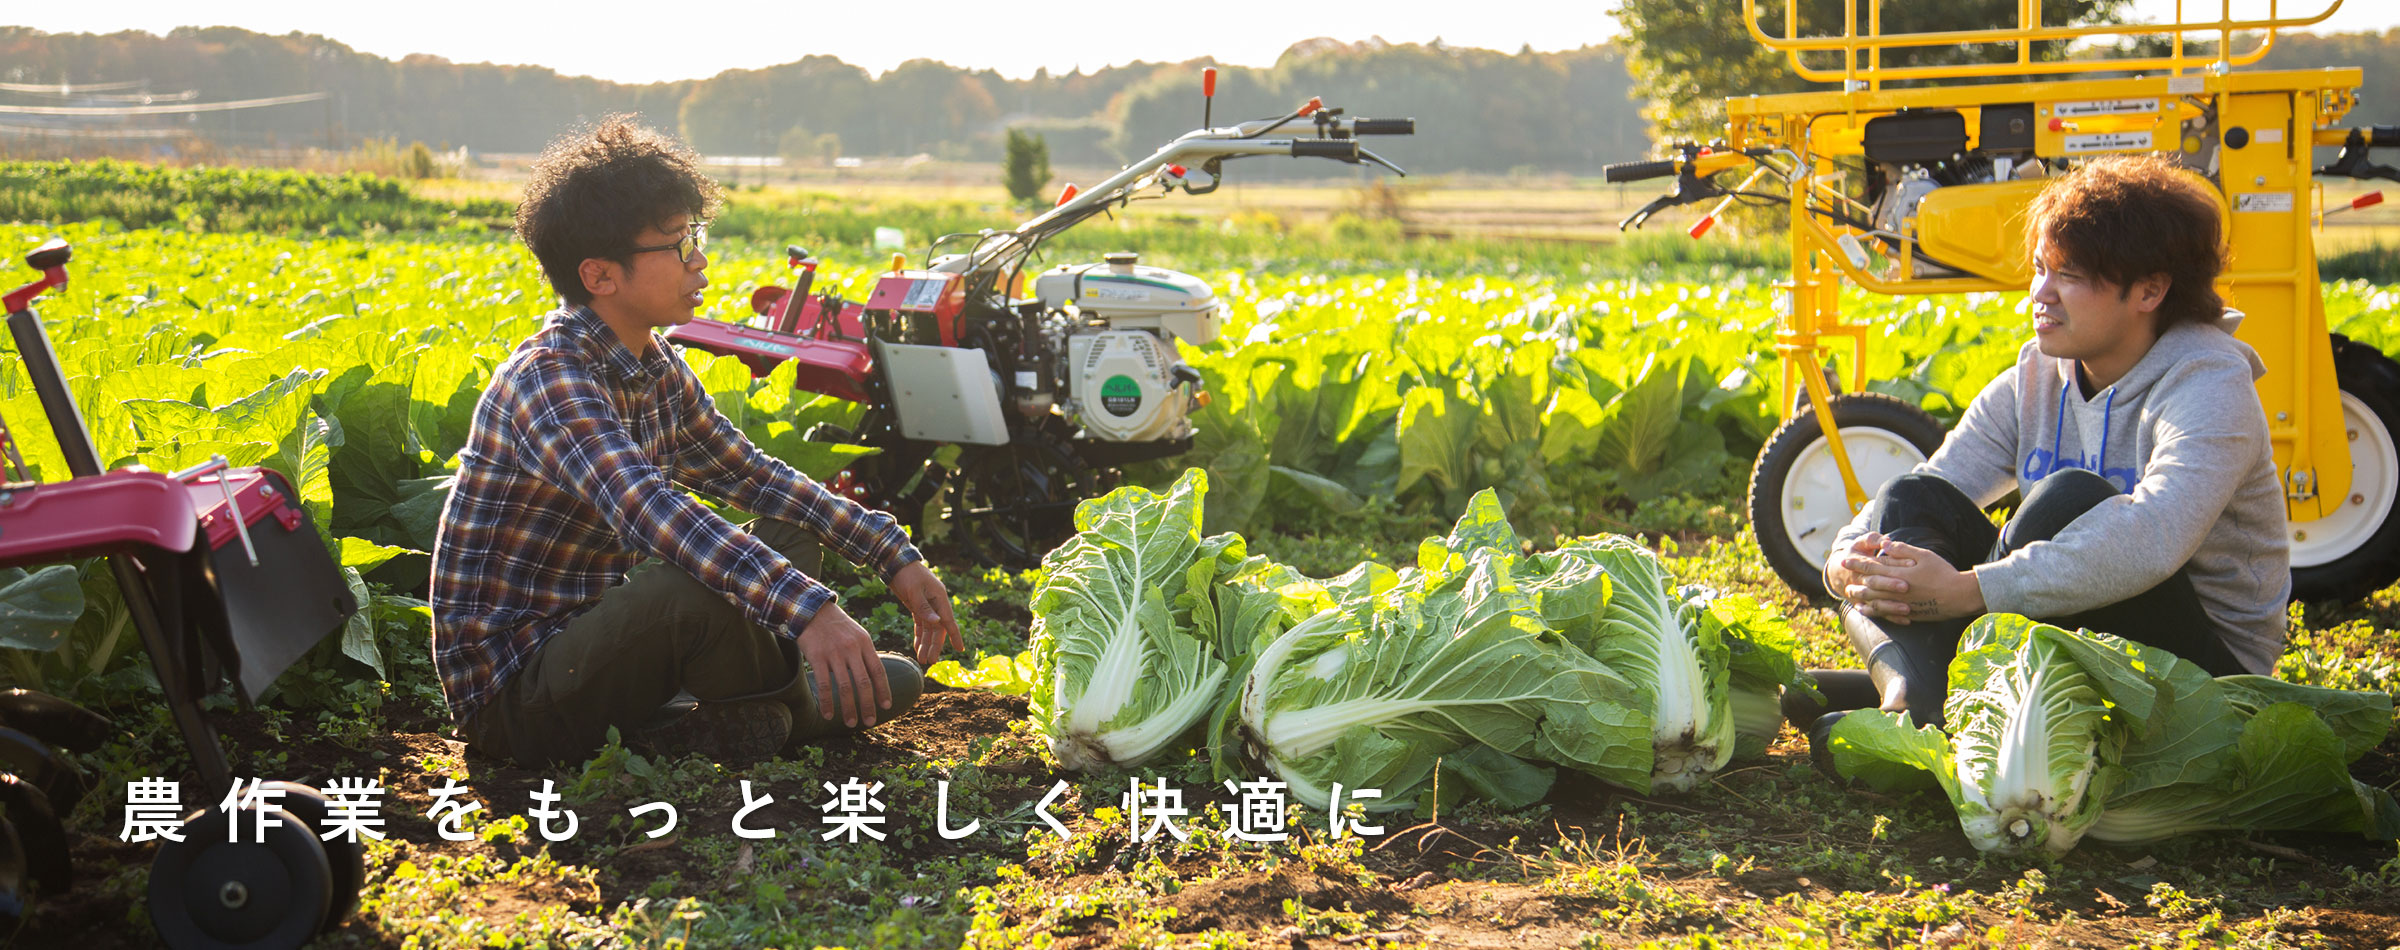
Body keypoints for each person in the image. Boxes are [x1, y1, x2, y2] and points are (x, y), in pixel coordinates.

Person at [431, 116, 963, 768]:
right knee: (684, 592)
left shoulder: (652, 366)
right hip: (520, 695)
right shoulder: (549, 382)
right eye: (678, 245)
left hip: (603, 652)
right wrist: (812, 613)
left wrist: (889, 551)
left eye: (696, 237)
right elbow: (651, 511)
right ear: (601, 276)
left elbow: (757, 477)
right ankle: (780, 708)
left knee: (787, 529)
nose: (700, 260)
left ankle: (738, 712)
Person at [1788, 154, 2291, 755]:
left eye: (2071, 275)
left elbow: (2153, 536)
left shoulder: (2209, 382)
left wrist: (1970, 589)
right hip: (2075, 632)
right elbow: (1936, 481)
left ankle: (1924, 706)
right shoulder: (2037, 374)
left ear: (2151, 289)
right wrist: (1843, 560)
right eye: (2038, 269)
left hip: (2205, 673)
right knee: (1910, 499)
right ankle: (1914, 700)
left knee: (2069, 500)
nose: (2041, 294)